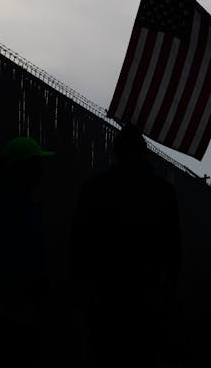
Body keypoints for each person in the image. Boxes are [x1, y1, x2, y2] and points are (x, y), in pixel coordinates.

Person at [71, 125, 180, 368]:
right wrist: (167, 290)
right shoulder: (162, 192)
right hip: (146, 290)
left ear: (116, 153)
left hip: (104, 291)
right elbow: (173, 247)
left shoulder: (95, 188)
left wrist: (82, 286)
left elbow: (79, 241)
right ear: (144, 153)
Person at [0, 137, 54, 368]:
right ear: (23, 166)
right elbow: (3, 252)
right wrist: (15, 299)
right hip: (12, 305)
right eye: (36, 163)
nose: (41, 169)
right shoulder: (10, 201)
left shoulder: (5, 197)